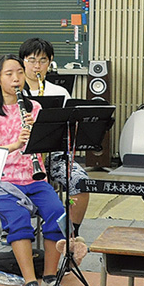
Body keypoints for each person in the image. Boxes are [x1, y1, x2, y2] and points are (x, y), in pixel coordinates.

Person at [0, 55, 69, 286]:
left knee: (57, 212)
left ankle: (50, 277)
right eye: (9, 74)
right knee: (18, 218)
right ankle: (31, 282)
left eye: (19, 72)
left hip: (33, 176)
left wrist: (37, 134)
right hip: (3, 180)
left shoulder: (34, 108)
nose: (16, 78)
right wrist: (14, 145)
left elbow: (47, 144)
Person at [19, 38, 90, 228]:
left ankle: (69, 234)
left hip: (52, 155)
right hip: (20, 156)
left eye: (43, 61)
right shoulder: (12, 92)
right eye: (31, 60)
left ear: (50, 62)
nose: (37, 66)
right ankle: (14, 228)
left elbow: (67, 131)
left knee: (81, 181)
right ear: (22, 62)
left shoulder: (60, 92)